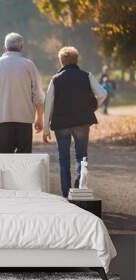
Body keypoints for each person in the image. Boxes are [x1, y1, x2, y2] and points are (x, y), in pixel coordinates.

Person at [43, 46, 107, 198]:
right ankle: (79, 188)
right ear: (77, 60)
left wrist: (46, 128)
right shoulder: (86, 76)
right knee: (82, 156)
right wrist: (94, 106)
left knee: (63, 158)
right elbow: (103, 93)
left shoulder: (55, 80)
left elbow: (49, 104)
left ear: (61, 62)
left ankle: (66, 194)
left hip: (61, 124)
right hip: (82, 122)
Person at [0, 32, 44, 153]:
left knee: (2, 160)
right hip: (24, 120)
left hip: (2, 119)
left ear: (4, 47)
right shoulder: (29, 65)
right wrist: (39, 118)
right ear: (21, 48)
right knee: (24, 161)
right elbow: (38, 96)